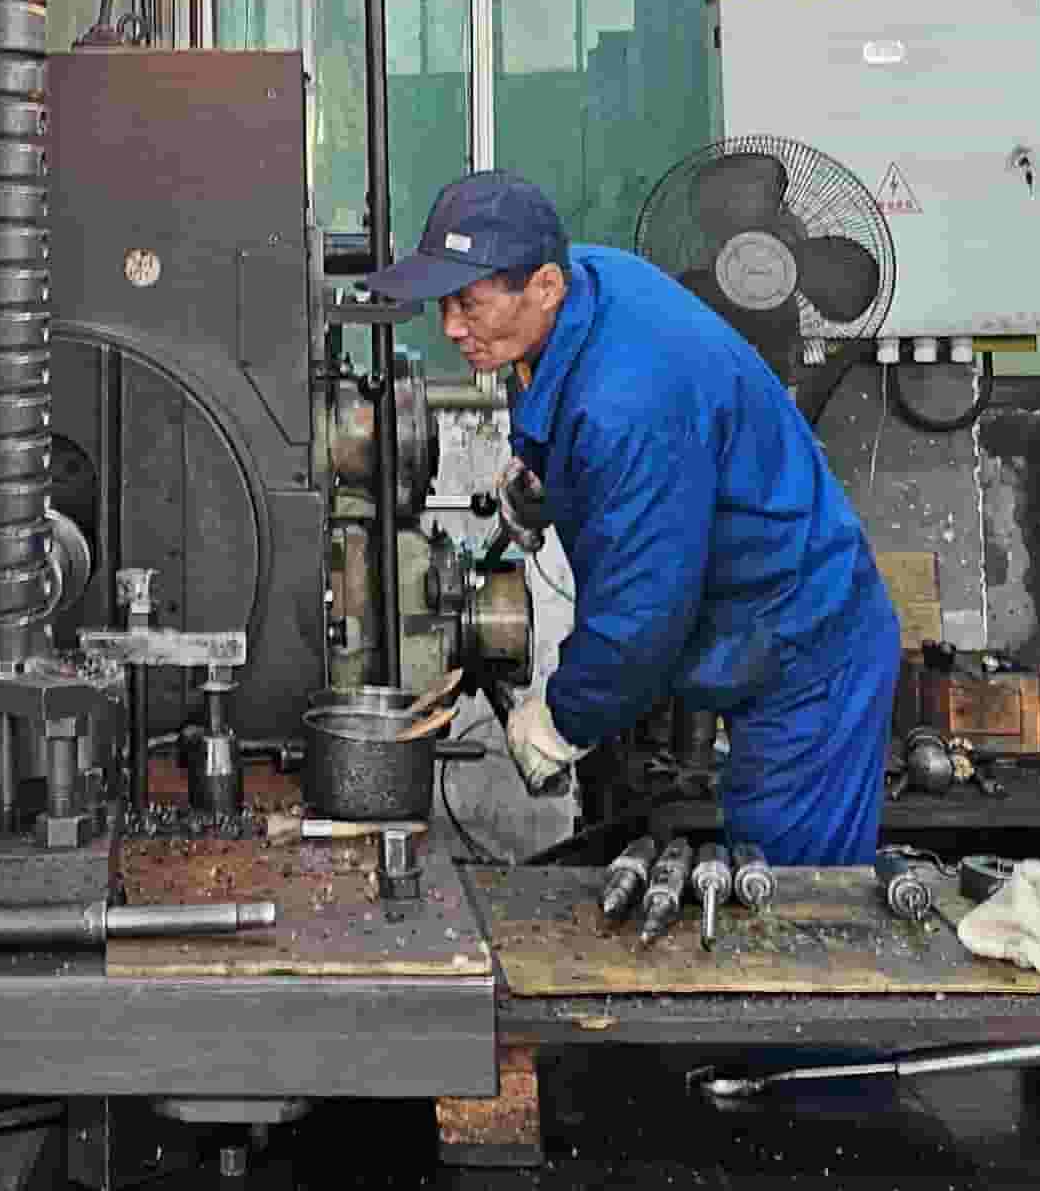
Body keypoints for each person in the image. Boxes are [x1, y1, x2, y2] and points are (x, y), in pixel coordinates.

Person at [356, 169, 902, 868]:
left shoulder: (628, 404)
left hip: (808, 648)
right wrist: (546, 473)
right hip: (753, 626)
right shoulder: (588, 282)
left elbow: (641, 615)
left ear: (544, 286)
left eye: (469, 304)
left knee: (794, 895)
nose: (451, 328)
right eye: (444, 303)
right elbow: (570, 395)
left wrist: (559, 723)